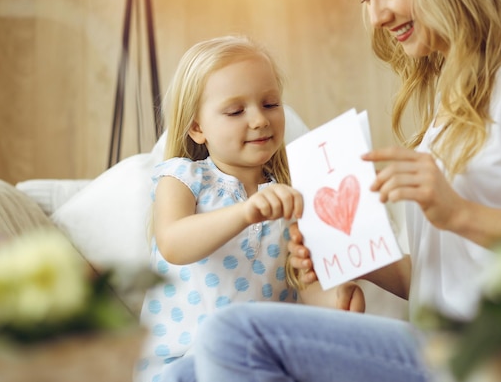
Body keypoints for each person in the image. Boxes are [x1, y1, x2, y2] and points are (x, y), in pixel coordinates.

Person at [189, 0, 501, 381]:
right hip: (439, 341)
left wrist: (459, 214)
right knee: (187, 369)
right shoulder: (451, 98)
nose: (377, 17)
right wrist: (346, 254)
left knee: (233, 335)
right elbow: (439, 283)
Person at [133, 35, 365, 382]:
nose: (259, 120)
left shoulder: (291, 196)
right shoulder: (183, 177)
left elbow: (305, 287)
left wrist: (339, 300)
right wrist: (245, 212)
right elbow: (173, 242)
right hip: (184, 362)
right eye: (235, 111)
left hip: (263, 361)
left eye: (270, 104)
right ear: (197, 127)